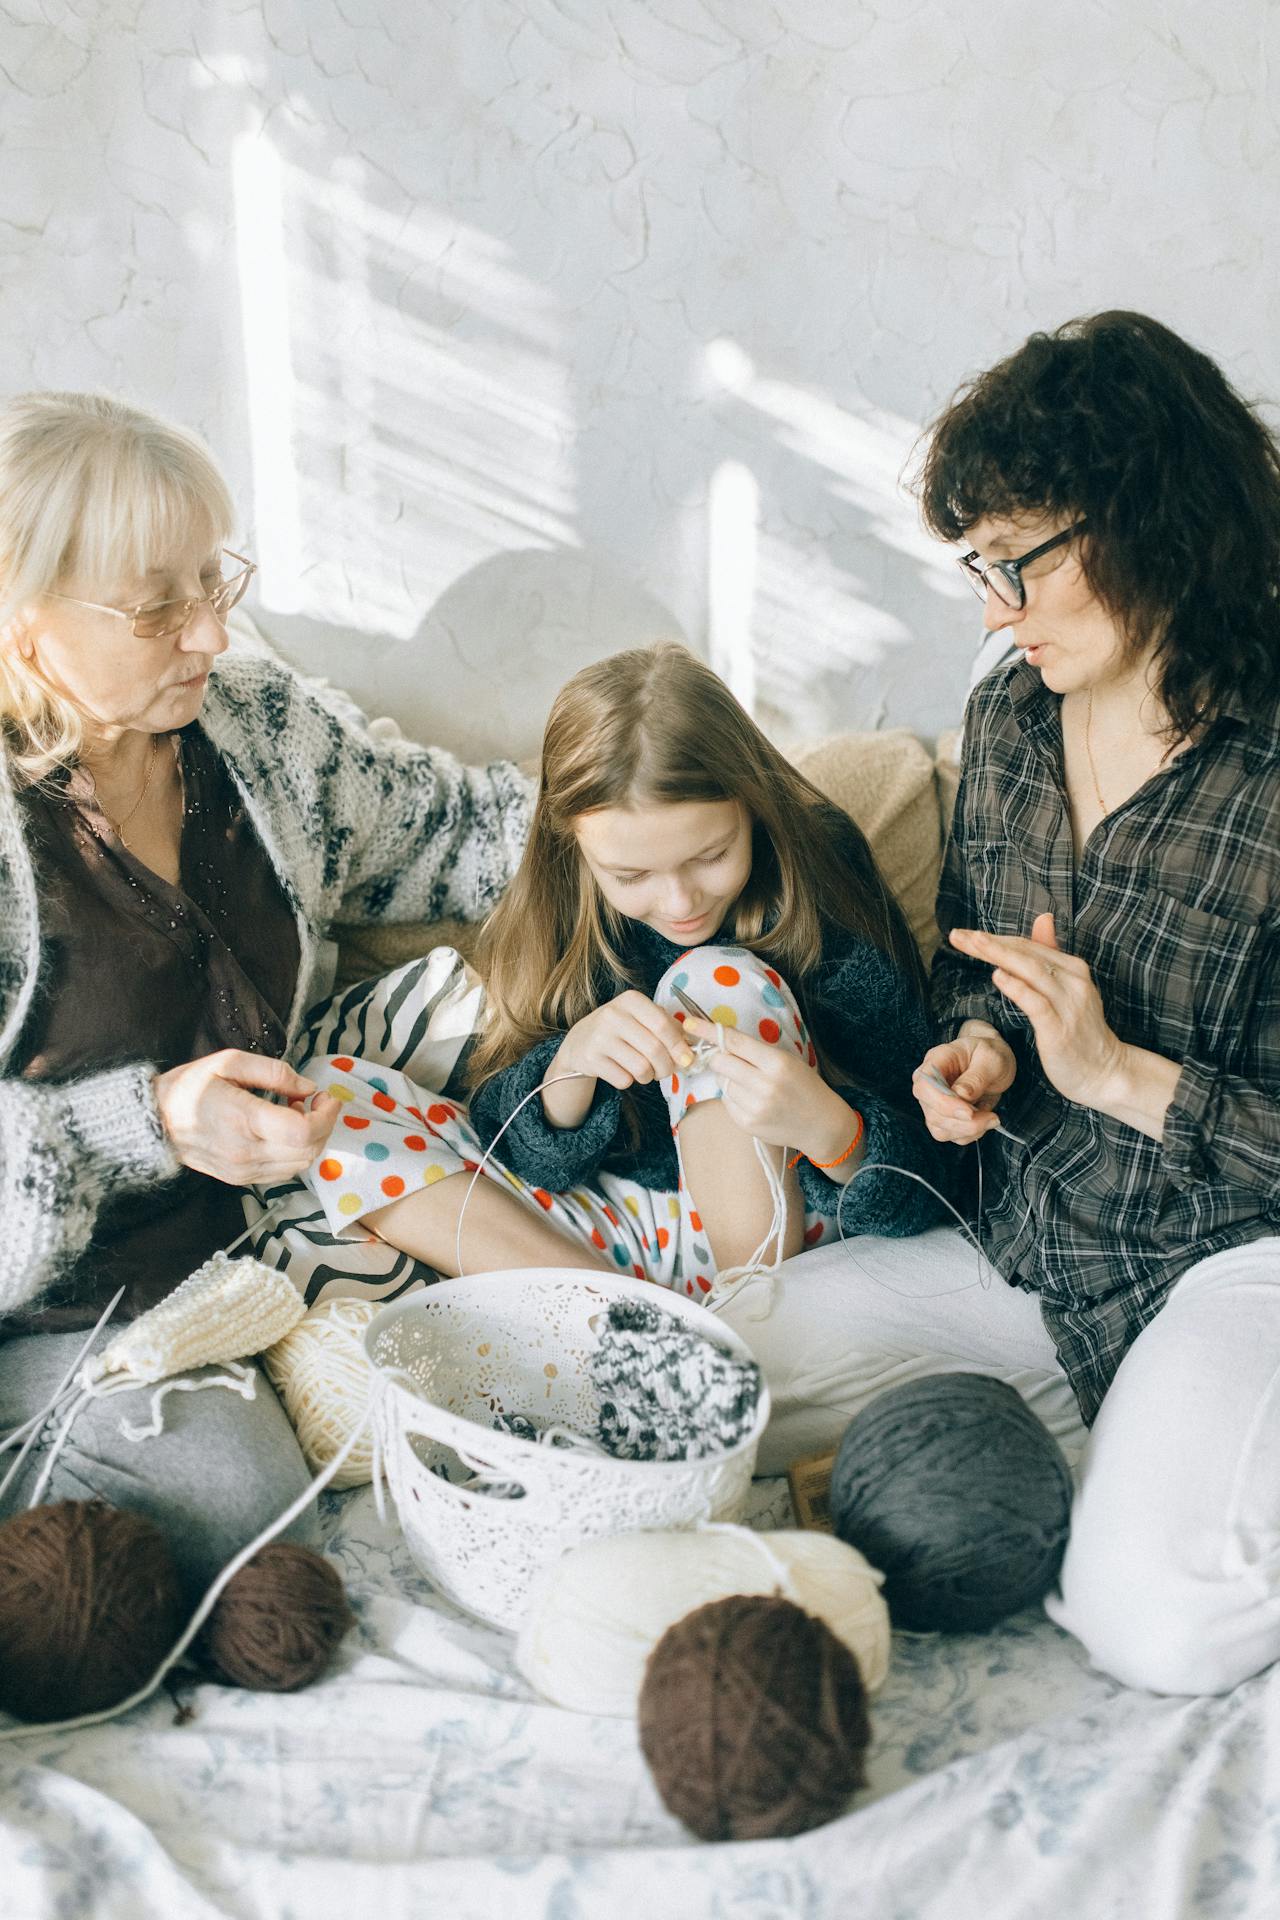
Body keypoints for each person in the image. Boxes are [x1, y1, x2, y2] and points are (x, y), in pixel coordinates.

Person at [712, 310, 1279, 1697]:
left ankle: (1172, 1461)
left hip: (1236, 1258)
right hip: (1028, 1241)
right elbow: (985, 968)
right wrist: (977, 1051)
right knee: (696, 1374)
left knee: (1159, 1627)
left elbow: (1127, 1075)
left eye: (1014, 564)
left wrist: (1125, 1077)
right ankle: (1135, 1443)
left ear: (1147, 522)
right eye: (977, 568)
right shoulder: (1018, 718)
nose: (989, 609)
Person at [0, 391, 532, 1658]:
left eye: (214, 579)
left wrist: (664, 812)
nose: (211, 630)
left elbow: (463, 835)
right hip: (40, 1295)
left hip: (212, 1277)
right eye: (156, 605)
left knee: (252, 1503)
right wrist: (148, 1123)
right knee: (235, 1506)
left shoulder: (258, 731)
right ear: (27, 632)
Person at [296, 642, 946, 1299]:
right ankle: (641, 1321)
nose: (680, 902)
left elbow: (936, 1169)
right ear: (576, 846)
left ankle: (750, 1308)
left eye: (711, 855)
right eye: (631, 875)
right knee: (323, 1101)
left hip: (793, 1230)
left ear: (753, 808)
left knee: (714, 978)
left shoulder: (820, 869)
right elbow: (513, 1143)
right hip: (614, 1235)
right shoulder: (568, 899)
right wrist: (568, 1072)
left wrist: (832, 1130)